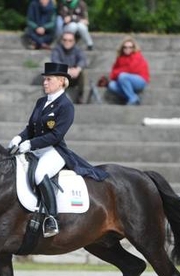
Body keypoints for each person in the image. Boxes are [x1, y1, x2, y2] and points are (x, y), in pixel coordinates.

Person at [7, 62, 108, 238]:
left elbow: (56, 135)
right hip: (36, 149)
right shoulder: (41, 102)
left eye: (48, 79)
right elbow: (31, 128)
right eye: (44, 79)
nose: (45, 83)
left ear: (61, 81)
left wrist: (30, 144)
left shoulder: (66, 106)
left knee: (39, 174)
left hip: (53, 151)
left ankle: (51, 218)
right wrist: (19, 137)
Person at [106, 37, 150, 106]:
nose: (127, 49)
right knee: (111, 85)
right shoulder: (120, 58)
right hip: (125, 80)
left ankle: (132, 99)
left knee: (122, 76)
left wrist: (117, 73)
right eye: (125, 47)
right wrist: (116, 74)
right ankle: (134, 97)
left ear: (133, 48)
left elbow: (131, 69)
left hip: (140, 80)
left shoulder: (137, 56)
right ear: (122, 48)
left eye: (130, 47)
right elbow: (114, 71)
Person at [51, 31, 88, 103]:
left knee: (81, 73)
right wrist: (66, 70)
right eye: (65, 40)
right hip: (62, 75)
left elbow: (83, 60)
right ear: (61, 40)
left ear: (74, 41)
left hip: (74, 76)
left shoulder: (78, 49)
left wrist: (78, 69)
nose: (67, 42)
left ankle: (80, 96)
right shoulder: (57, 49)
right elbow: (55, 60)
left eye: (70, 40)